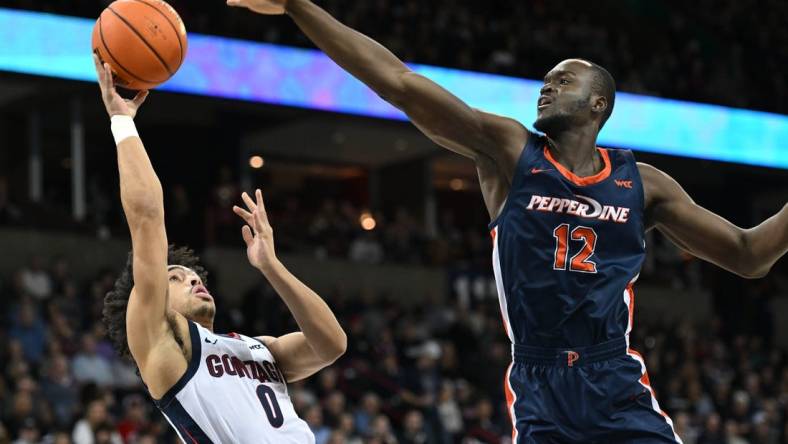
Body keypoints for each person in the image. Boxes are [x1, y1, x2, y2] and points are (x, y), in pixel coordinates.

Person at [225, 1, 788, 442]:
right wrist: (301, 7)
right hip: (540, 382)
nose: (548, 84)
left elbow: (748, 253)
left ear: (599, 105)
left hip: (613, 378)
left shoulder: (644, 183)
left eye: (564, 80)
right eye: (547, 78)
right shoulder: (509, 151)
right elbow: (399, 82)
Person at [92, 55, 347, 443]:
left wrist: (271, 266)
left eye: (193, 274)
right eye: (175, 278)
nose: (192, 279)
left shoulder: (256, 349)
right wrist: (122, 121)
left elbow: (331, 344)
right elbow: (146, 218)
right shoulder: (164, 341)